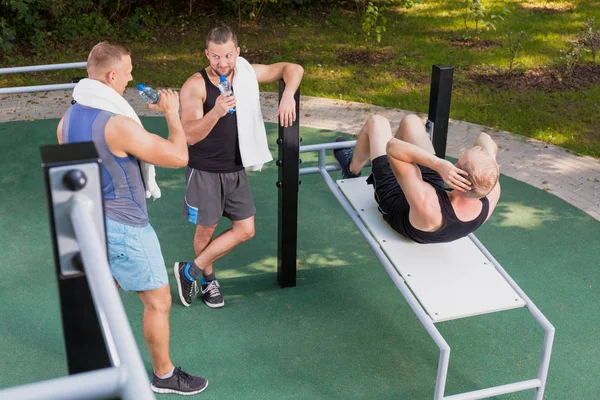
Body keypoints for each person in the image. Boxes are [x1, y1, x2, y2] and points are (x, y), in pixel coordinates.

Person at [56, 42, 208, 395]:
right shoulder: (117, 124)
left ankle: (97, 367)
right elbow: (177, 156)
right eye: (127, 71)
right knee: (158, 301)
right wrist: (172, 114)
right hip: (126, 226)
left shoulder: (67, 120)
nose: (131, 77)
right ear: (111, 76)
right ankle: (165, 375)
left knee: (104, 293)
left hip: (90, 225)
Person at [174, 25, 304, 308]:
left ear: (238, 53)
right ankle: (208, 282)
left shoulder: (244, 72)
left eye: (228, 56)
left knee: (245, 229)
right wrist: (217, 111)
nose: (222, 63)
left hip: (236, 167)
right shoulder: (195, 85)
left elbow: (292, 68)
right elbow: (189, 135)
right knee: (205, 232)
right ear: (207, 54)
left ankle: (189, 271)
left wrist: (288, 94)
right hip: (205, 170)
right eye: (216, 57)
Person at [333, 114, 501, 244]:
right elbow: (485, 138)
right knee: (411, 121)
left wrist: (438, 163)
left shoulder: (428, 203)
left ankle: (351, 168)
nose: (452, 163)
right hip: (435, 191)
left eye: (456, 163)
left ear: (459, 180)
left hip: (395, 196)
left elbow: (392, 147)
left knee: (377, 122)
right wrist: (489, 162)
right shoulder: (490, 190)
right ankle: (389, 154)